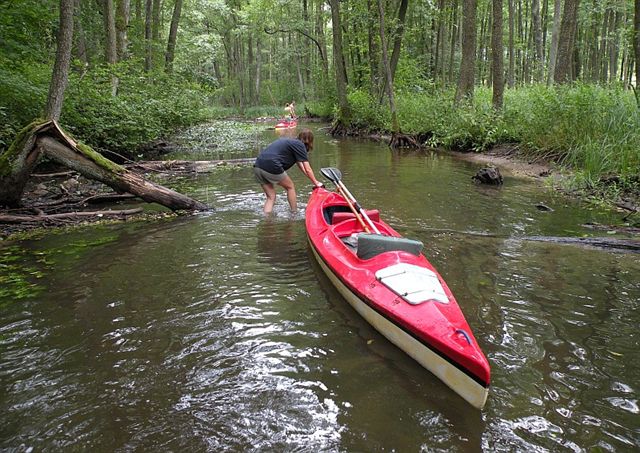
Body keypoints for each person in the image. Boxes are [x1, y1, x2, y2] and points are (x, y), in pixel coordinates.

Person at [253, 129, 323, 214]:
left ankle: (267, 218)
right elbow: (308, 169)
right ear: (310, 141)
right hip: (272, 164)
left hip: (258, 165)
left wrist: (313, 181)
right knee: (290, 187)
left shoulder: (292, 143)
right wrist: (316, 183)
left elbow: (302, 167)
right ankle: (294, 213)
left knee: (271, 197)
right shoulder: (300, 145)